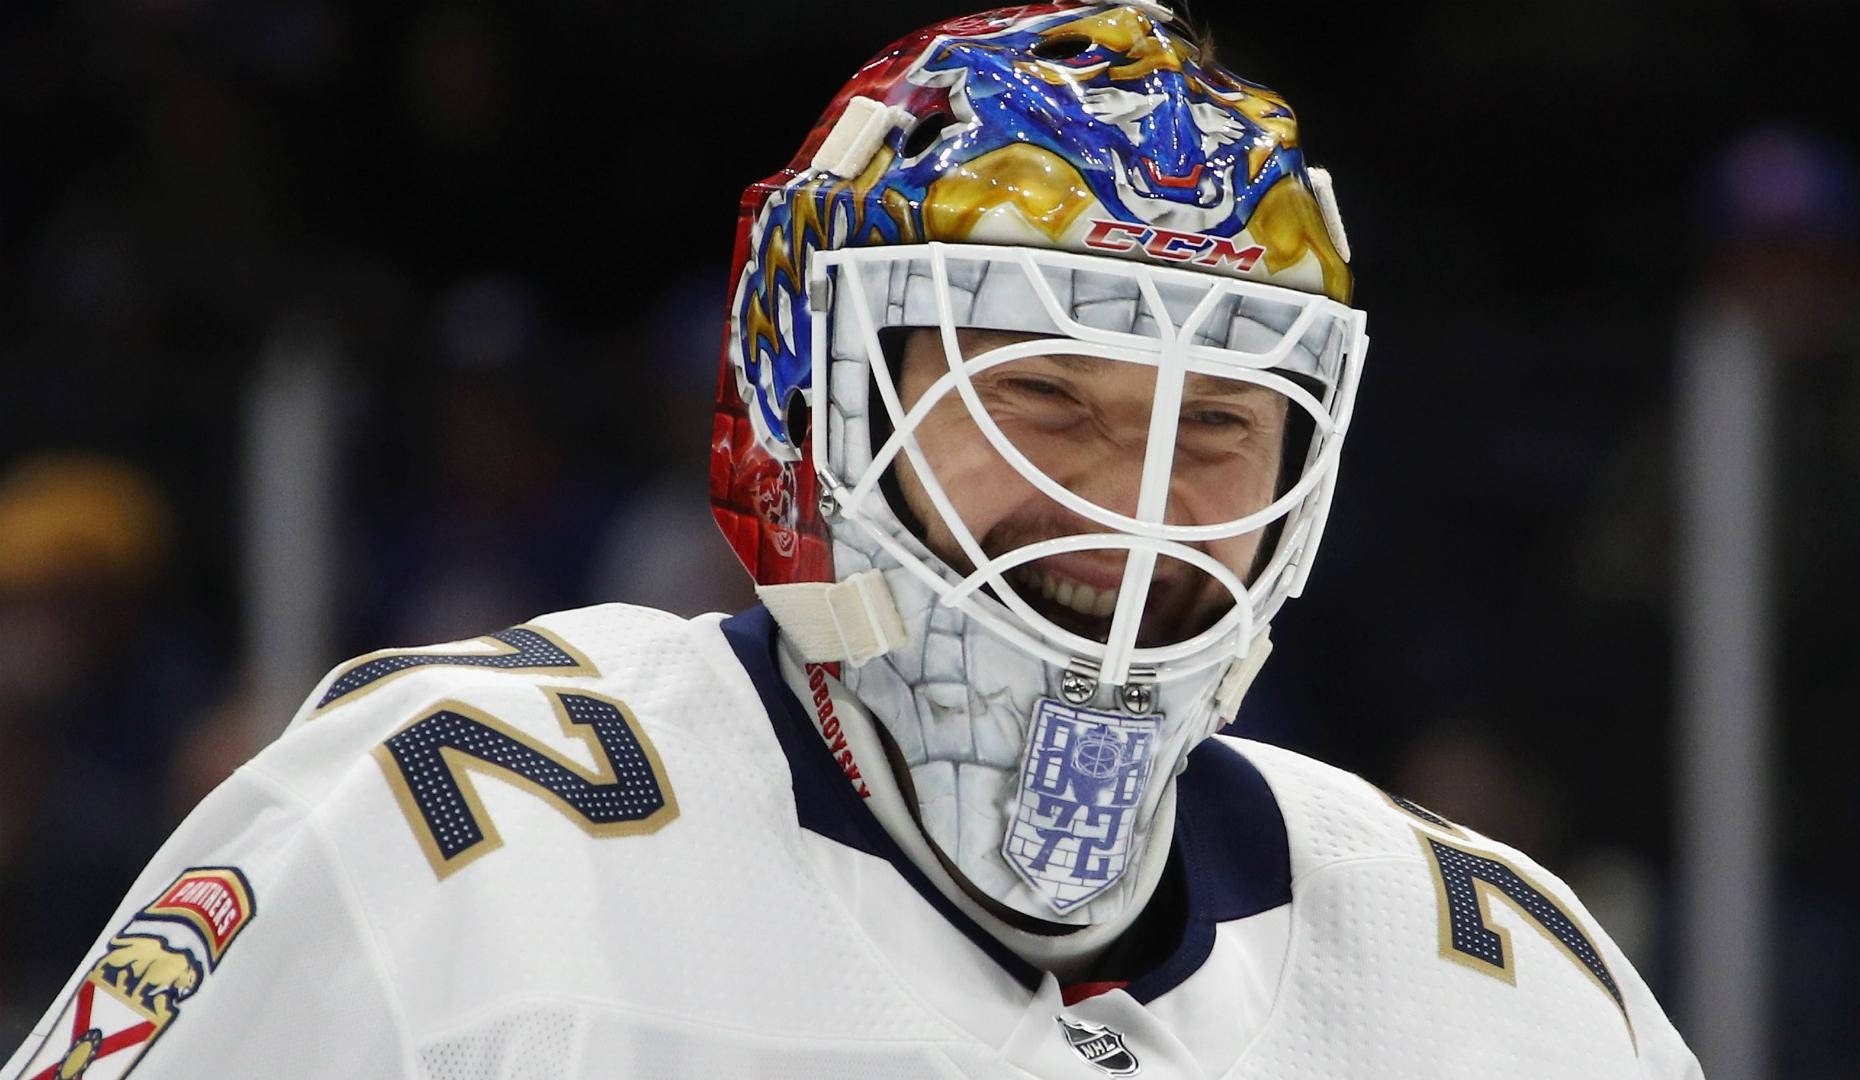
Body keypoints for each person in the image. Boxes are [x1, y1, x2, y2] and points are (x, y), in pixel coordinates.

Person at [5, 3, 1702, 1077]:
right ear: (813, 401)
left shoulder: (1493, 983)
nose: (1135, 502)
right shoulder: (445, 834)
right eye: (1050, 399)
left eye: (1219, 429)